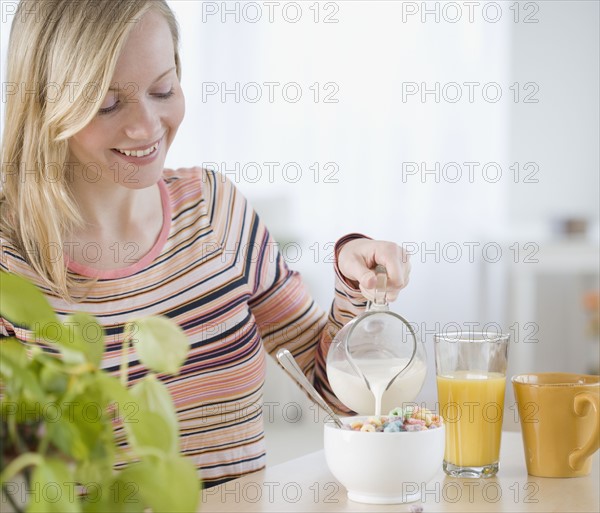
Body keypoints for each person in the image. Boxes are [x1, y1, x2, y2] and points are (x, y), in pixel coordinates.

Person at [0, 0, 410, 487]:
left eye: (163, 89)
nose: (146, 126)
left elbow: (338, 398)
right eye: (107, 104)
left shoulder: (216, 210)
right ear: (47, 104)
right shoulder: (11, 256)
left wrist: (353, 283)